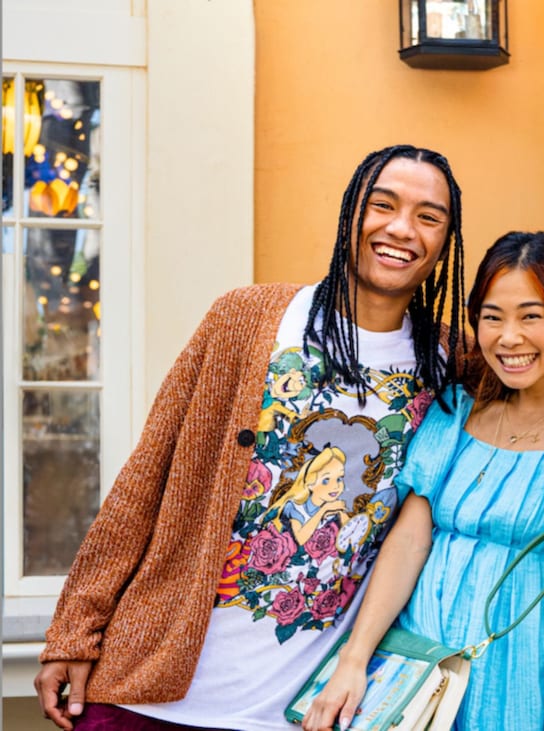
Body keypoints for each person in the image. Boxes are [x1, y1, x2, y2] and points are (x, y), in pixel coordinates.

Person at [34, 144, 468, 731]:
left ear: (446, 239)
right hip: (150, 692)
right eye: (381, 204)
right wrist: (73, 631)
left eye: (428, 216)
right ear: (350, 215)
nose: (400, 229)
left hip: (302, 708)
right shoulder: (247, 318)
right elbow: (147, 477)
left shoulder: (454, 363)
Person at [302, 231, 544, 731]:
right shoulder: (457, 409)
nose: (509, 338)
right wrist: (354, 659)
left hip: (513, 682)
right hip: (410, 673)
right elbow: (410, 543)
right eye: (491, 316)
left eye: (532, 316)